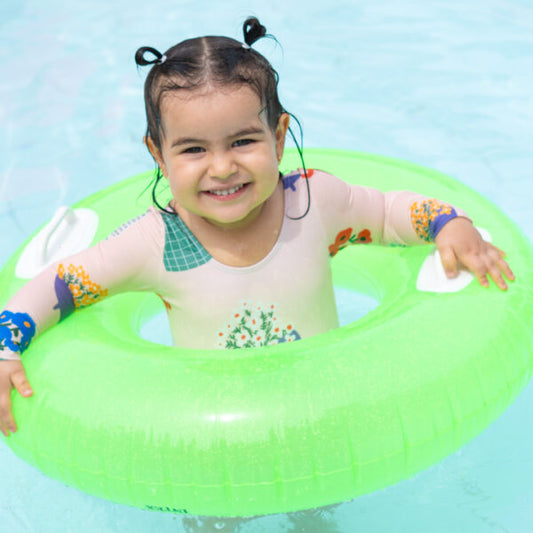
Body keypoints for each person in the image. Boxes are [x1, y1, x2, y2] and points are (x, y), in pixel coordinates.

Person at [0, 17, 514, 437]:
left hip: (323, 415)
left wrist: (449, 222)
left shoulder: (312, 203)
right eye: (194, 149)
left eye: (243, 141)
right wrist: (6, 347)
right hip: (210, 432)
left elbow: (385, 213)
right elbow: (62, 285)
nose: (222, 167)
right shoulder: (153, 243)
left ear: (279, 135)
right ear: (158, 154)